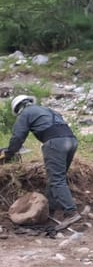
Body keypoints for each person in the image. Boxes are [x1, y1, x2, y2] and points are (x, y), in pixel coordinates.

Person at [1, 95, 80, 226]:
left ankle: (71, 213)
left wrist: (9, 153)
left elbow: (18, 137)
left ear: (18, 109)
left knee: (56, 179)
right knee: (57, 177)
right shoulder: (46, 110)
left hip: (55, 143)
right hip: (71, 141)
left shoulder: (25, 113)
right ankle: (50, 209)